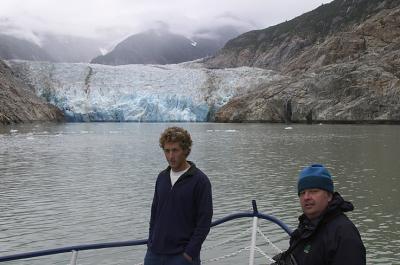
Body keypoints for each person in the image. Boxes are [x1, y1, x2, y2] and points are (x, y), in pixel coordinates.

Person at [144, 127, 213, 265]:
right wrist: (151, 242)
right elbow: (154, 213)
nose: (170, 156)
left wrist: (189, 253)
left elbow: (204, 221)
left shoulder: (199, 180)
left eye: (175, 150)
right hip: (154, 254)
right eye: (167, 151)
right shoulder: (162, 178)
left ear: (186, 150)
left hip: (182, 256)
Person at [273, 164, 366, 265]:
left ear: (329, 196)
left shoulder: (344, 233)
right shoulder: (306, 227)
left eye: (313, 191)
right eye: (302, 193)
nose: (306, 197)